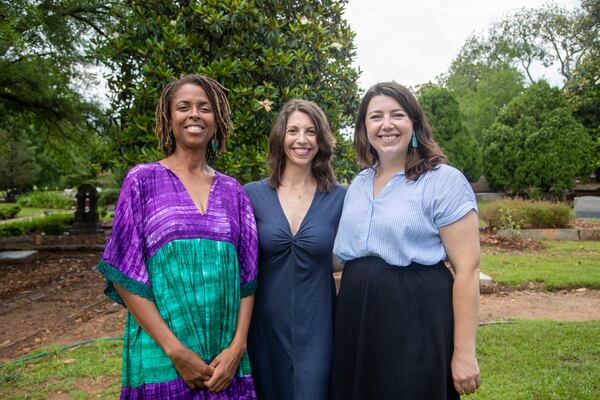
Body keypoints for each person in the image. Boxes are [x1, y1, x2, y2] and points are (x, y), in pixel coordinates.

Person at [96, 74, 258, 399]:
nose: (194, 114)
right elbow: (124, 276)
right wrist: (175, 351)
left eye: (205, 108)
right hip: (164, 352)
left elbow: (247, 279)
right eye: (183, 107)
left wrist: (238, 346)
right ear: (169, 119)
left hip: (222, 356)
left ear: (217, 120)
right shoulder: (142, 181)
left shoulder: (234, 192)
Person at [332, 82, 481, 399]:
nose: (386, 125)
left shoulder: (443, 180)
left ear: (413, 123)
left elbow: (468, 269)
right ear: (364, 128)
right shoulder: (358, 184)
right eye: (375, 117)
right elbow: (339, 255)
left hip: (417, 317)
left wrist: (464, 352)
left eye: (396, 115)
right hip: (358, 318)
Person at [244, 99, 346, 400]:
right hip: (263, 325)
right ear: (281, 137)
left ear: (321, 140)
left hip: (319, 324)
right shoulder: (251, 195)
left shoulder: (340, 198)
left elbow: (351, 257)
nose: (302, 140)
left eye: (311, 132)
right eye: (293, 131)